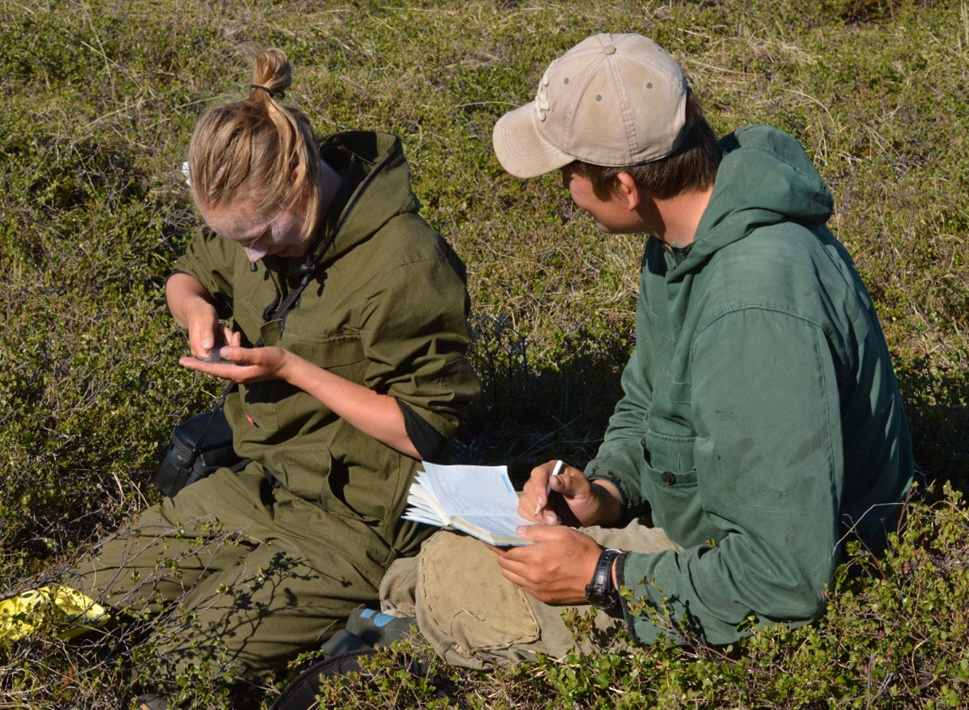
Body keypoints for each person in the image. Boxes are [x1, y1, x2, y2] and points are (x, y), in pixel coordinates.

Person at [379, 32, 914, 668]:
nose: (566, 190)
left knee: (449, 583)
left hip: (771, 581)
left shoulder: (755, 315)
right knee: (447, 562)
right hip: (721, 536)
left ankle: (390, 653)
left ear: (627, 187)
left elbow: (787, 578)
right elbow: (650, 401)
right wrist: (603, 490)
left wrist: (604, 576)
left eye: (569, 173)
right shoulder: (686, 231)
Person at [1, 47, 479, 686]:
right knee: (59, 608)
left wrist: (290, 367)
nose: (250, 254)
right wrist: (195, 310)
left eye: (260, 235)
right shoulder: (253, 221)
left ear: (299, 177)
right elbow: (189, 273)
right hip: (258, 479)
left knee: (178, 665)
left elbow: (423, 427)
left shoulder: (404, 265)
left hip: (357, 523)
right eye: (236, 239)